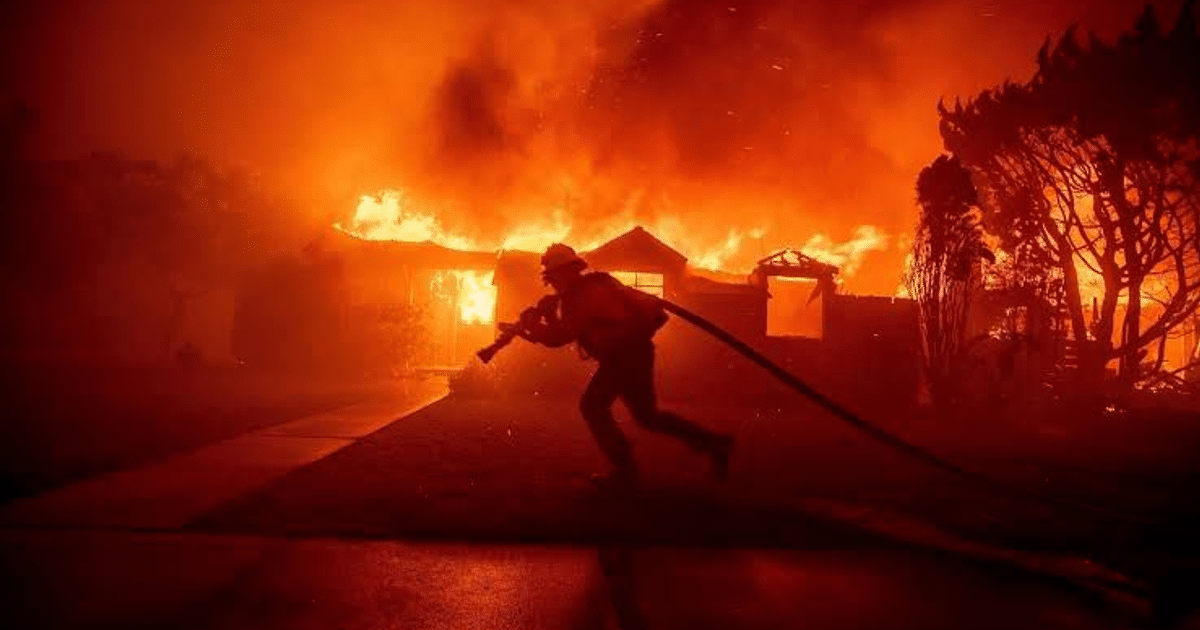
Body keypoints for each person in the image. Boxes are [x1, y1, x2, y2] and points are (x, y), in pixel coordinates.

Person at [518, 243, 734, 488]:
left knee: (593, 406)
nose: (553, 281)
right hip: (632, 354)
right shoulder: (590, 289)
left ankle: (626, 470)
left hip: (625, 357)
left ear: (568, 271)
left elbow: (559, 337)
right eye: (550, 277)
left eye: (554, 275)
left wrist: (537, 325)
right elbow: (566, 332)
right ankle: (714, 444)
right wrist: (544, 320)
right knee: (647, 417)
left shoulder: (584, 296)